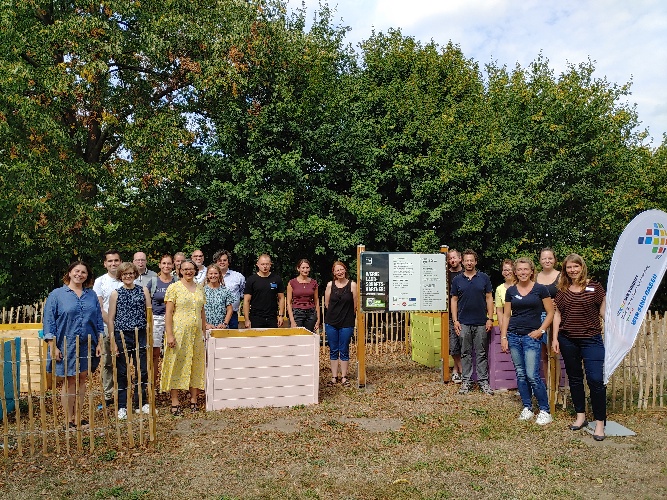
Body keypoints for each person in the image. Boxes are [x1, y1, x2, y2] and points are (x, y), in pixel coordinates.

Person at [43, 261, 104, 429]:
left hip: (88, 344)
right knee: (70, 380)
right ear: (69, 273)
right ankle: (68, 419)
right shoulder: (56, 295)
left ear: (87, 276)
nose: (79, 274)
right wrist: (52, 345)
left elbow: (98, 320)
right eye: (76, 271)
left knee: (82, 379)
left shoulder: (91, 295)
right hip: (66, 344)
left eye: (83, 272)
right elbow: (49, 322)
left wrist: (99, 342)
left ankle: (79, 417)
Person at [552, 253, 607, 441]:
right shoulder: (562, 289)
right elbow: (557, 315)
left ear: (582, 267)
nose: (572, 270)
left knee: (595, 380)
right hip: (568, 340)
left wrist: (618, 328)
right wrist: (555, 338)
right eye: (569, 267)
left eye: (575, 266)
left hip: (591, 340)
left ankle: (600, 423)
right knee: (575, 379)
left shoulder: (595, 287)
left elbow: (603, 310)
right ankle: (580, 416)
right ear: (565, 270)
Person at [500, 257, 554, 425]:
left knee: (532, 375)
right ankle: (527, 408)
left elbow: (550, 312)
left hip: (532, 337)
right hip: (514, 336)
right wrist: (504, 336)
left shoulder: (541, 289)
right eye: (519, 270)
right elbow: (507, 315)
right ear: (515, 272)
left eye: (526, 269)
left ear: (532, 271)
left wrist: (541, 330)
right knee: (521, 374)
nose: (523, 272)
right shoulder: (511, 291)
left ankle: (545, 410)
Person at [160, 259, 207, 415]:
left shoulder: (200, 288)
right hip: (179, 334)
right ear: (180, 270)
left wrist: (203, 330)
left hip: (196, 335)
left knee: (196, 364)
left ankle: (193, 400)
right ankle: (175, 401)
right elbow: (168, 313)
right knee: (176, 365)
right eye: (185, 269)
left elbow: (202, 312)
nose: (188, 272)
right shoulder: (174, 288)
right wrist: (170, 335)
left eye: (191, 269)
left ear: (195, 271)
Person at [107, 263, 151, 420]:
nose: (128, 276)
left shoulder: (143, 290)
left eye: (131, 273)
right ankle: (122, 406)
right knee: (123, 372)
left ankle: (141, 402)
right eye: (125, 274)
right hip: (122, 335)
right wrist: (113, 341)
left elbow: (148, 313)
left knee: (142, 370)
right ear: (120, 275)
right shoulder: (115, 294)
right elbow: (111, 319)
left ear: (135, 274)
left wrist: (148, 332)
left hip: (140, 334)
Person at [450, 249, 494, 395]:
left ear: (475, 262)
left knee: (481, 353)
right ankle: (466, 382)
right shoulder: (457, 280)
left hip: (481, 322)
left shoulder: (484, 278)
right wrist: (455, 320)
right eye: (466, 260)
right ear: (463, 261)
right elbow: (454, 300)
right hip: (463, 323)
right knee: (465, 353)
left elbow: (489, 298)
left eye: (471, 260)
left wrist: (490, 318)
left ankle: (483, 382)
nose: (469, 263)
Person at [93, 249, 123, 406]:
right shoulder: (100, 281)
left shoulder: (126, 278)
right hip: (106, 327)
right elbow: (99, 306)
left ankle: (124, 394)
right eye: (110, 261)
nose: (113, 263)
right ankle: (108, 395)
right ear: (105, 264)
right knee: (107, 362)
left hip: (126, 329)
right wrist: (111, 323)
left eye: (116, 260)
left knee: (124, 362)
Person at [146, 254, 177, 392]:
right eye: (163, 263)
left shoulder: (176, 282)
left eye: (169, 264)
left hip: (174, 320)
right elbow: (146, 302)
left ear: (173, 266)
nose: (166, 266)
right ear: (159, 265)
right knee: (155, 354)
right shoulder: (153, 282)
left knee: (172, 352)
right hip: (156, 319)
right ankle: (152, 386)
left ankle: (170, 386)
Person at [324, 261, 357, 387]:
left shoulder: (352, 285)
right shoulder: (330, 285)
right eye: (337, 270)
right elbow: (327, 304)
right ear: (334, 272)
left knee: (344, 349)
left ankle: (344, 376)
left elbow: (354, 305)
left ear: (345, 270)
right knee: (333, 349)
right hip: (331, 322)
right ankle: (334, 376)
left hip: (346, 323)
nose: (340, 272)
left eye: (341, 269)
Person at [243, 254, 285, 328]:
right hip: (256, 317)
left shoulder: (276, 279)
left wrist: (281, 315)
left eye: (267, 264)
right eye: (262, 264)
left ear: (270, 265)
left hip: (272, 317)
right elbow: (246, 300)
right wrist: (246, 319)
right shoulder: (251, 280)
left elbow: (281, 298)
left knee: (272, 339)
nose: (265, 266)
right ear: (258, 265)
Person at [213, 249, 246, 328]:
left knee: (232, 339)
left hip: (233, 315)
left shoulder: (238, 277)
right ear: (216, 262)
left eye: (224, 260)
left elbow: (243, 295)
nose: (222, 262)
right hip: (214, 315)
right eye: (219, 260)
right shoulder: (210, 276)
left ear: (228, 262)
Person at [287, 259, 320, 332]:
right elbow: (289, 303)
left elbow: (316, 301)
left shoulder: (314, 283)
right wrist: (292, 320)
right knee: (297, 338)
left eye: (307, 268)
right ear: (298, 269)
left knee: (309, 338)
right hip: (297, 313)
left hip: (310, 313)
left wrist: (318, 318)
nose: (305, 270)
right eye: (303, 268)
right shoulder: (292, 283)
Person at [447, 249, 464, 382]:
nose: (452, 260)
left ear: (460, 259)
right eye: (450, 258)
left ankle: (457, 370)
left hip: (465, 313)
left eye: (454, 258)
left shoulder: (466, 273)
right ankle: (459, 369)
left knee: (464, 344)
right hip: (450, 314)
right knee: (453, 345)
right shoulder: (445, 274)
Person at [204, 264, 234, 331]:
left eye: (215, 273)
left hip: (221, 328)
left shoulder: (225, 291)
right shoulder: (202, 291)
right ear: (207, 275)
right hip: (205, 328)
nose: (213, 276)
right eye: (211, 274)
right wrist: (205, 324)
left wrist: (224, 323)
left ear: (219, 274)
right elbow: (199, 309)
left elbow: (230, 309)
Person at [495, 259, 515, 331]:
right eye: (505, 270)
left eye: (510, 270)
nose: (507, 272)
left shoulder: (521, 285)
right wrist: (502, 327)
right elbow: (499, 311)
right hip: (508, 325)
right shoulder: (499, 289)